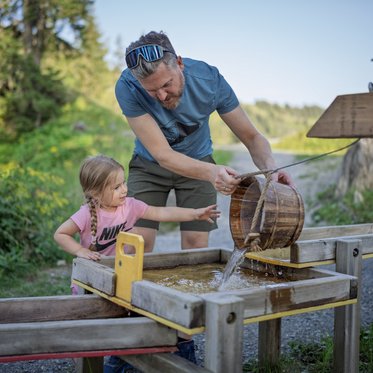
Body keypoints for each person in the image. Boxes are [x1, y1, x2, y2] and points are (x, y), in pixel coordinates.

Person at [115, 30, 293, 253]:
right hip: (150, 166)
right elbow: (163, 155)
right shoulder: (127, 86)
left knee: (195, 247)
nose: (161, 96)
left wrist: (270, 168)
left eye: (167, 84)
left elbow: (252, 137)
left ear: (179, 63)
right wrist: (212, 173)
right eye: (151, 90)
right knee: (136, 245)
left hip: (198, 162)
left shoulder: (210, 81)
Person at [54, 154, 220, 372]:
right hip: (93, 280)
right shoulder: (87, 213)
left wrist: (195, 214)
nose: (124, 189)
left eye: (124, 183)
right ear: (95, 193)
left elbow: (161, 212)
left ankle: (125, 361)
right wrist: (81, 251)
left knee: (129, 320)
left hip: (122, 276)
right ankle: (100, 364)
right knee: (95, 330)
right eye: (116, 187)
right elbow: (61, 234)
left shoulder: (130, 206)